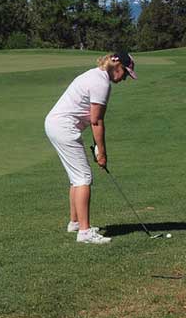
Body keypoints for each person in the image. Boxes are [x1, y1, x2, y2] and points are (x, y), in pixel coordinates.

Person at [45, 52, 137, 244]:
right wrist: (102, 153)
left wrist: (98, 147)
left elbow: (90, 118)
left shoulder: (94, 75)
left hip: (55, 124)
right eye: (125, 73)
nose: (124, 78)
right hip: (63, 127)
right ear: (116, 63)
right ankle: (85, 233)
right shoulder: (101, 83)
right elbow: (96, 121)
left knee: (76, 177)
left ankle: (76, 223)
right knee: (83, 178)